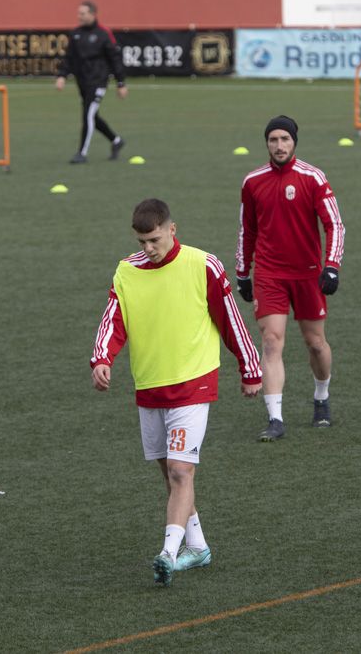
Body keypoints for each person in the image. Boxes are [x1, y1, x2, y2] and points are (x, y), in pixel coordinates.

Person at [90, 199, 262, 587]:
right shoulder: (127, 271)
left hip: (194, 381)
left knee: (182, 469)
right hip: (150, 385)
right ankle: (198, 546)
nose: (148, 248)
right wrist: (102, 358)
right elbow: (113, 319)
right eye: (142, 241)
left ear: (172, 229)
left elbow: (230, 318)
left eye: (154, 239)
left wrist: (249, 366)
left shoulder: (203, 265)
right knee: (170, 473)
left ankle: (169, 552)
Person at [235, 115, 345, 442]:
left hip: (308, 274)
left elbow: (334, 225)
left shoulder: (313, 177)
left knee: (315, 343)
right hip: (270, 273)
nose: (279, 145)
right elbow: (247, 230)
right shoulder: (252, 181)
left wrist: (332, 266)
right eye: (273, 140)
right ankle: (275, 418)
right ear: (266, 143)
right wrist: (243, 272)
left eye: (285, 139)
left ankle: (321, 397)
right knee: (271, 341)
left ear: (294, 141)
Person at [55, 0, 127, 164]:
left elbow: (115, 59)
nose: (79, 16)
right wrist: (62, 76)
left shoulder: (104, 33)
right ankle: (116, 141)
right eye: (78, 13)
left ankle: (82, 153)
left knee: (88, 113)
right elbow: (69, 58)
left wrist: (121, 83)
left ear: (92, 14)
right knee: (92, 116)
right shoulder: (75, 34)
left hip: (98, 81)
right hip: (82, 82)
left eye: (82, 13)